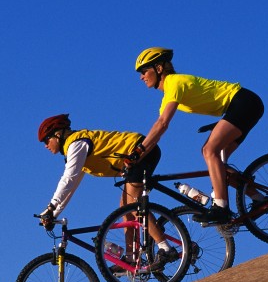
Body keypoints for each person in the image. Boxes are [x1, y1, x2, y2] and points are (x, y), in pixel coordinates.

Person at [131, 47, 266, 224]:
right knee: (216, 166)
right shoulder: (168, 95)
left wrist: (139, 151)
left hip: (243, 102)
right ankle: (259, 199)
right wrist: (139, 156)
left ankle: (220, 207)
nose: (141, 77)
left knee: (210, 151)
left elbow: (163, 124)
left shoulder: (173, 82)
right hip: (240, 107)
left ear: (158, 68)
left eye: (143, 71)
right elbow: (157, 130)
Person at [36, 113, 178, 270]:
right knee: (125, 207)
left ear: (57, 135)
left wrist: (51, 207)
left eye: (46, 140)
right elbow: (72, 186)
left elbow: (68, 179)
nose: (45, 145)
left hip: (141, 151)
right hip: (135, 159)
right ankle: (131, 259)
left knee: (132, 204)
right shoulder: (74, 147)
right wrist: (53, 213)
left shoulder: (76, 144)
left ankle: (166, 249)